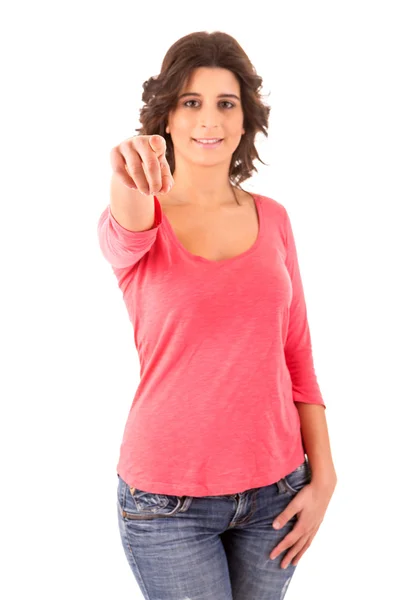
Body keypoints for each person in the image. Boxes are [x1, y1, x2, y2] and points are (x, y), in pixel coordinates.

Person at [97, 30, 337, 600]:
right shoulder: (141, 216)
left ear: (244, 117)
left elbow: (296, 354)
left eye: (225, 103)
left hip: (276, 493)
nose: (210, 120)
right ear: (167, 119)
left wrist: (323, 475)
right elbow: (126, 210)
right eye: (191, 102)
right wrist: (126, 171)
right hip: (168, 503)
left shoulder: (274, 218)